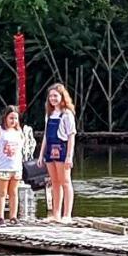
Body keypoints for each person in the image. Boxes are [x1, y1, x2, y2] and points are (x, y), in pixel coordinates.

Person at [36, 84, 78, 223]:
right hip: (49, 150)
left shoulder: (67, 114)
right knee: (54, 182)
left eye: (56, 96)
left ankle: (67, 215)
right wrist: (41, 155)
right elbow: (46, 136)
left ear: (62, 97)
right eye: (51, 96)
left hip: (62, 149)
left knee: (65, 181)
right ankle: (56, 214)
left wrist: (69, 156)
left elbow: (71, 135)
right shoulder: (49, 114)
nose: (53, 98)